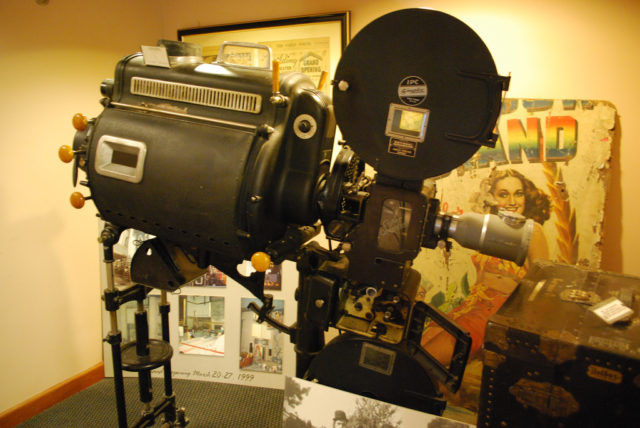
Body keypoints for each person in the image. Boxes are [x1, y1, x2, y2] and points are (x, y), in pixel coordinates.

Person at [422, 168, 550, 365]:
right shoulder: (486, 229)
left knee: (428, 357)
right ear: (492, 197)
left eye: (518, 193)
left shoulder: (532, 233)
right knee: (422, 342)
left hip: (497, 314)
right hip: (471, 305)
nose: (513, 201)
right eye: (503, 194)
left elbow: (543, 285)